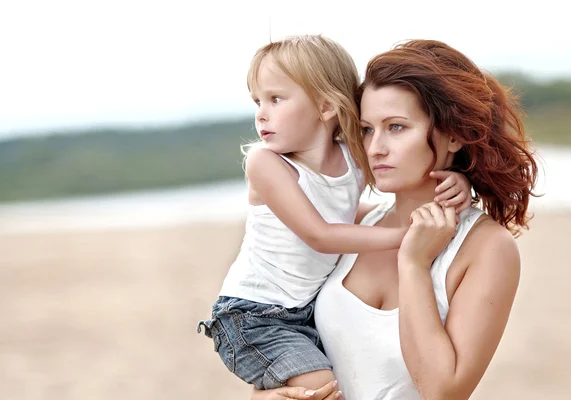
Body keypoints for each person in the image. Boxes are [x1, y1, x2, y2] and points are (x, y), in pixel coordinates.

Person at [252, 39, 538, 400]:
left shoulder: (488, 248)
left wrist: (415, 263)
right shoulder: (354, 225)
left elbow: (442, 390)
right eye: (367, 129)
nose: (375, 148)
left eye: (397, 127)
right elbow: (278, 347)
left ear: (454, 135)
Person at [197, 35, 473, 392]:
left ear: (326, 106)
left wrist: (453, 180)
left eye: (276, 99)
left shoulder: (351, 156)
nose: (261, 113)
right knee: (321, 386)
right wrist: (407, 236)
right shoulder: (266, 163)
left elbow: (382, 189)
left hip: (302, 311)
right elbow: (321, 234)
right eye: (257, 101)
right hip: (254, 315)